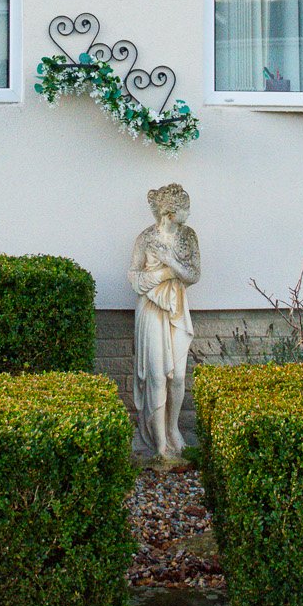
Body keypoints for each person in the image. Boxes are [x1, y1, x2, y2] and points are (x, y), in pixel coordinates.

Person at [128, 182, 199, 465]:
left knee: (178, 376)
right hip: (151, 309)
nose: (189, 213)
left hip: (177, 308)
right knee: (157, 377)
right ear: (171, 212)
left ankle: (172, 428)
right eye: (186, 209)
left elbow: (194, 275)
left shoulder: (189, 237)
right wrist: (162, 275)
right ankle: (159, 444)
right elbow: (134, 277)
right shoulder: (145, 238)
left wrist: (170, 262)